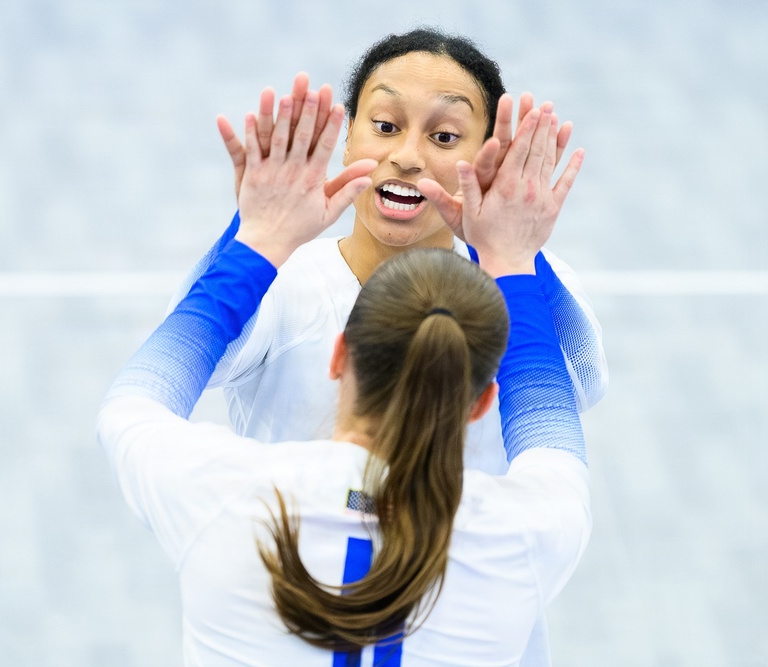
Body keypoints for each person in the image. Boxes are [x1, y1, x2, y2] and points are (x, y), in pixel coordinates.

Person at [98, 67, 590, 664]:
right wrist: (516, 259)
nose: (407, 155)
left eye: (443, 135)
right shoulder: (522, 539)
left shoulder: (229, 501)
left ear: (340, 357)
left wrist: (255, 239)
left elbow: (137, 400)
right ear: (485, 399)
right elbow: (554, 418)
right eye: (385, 125)